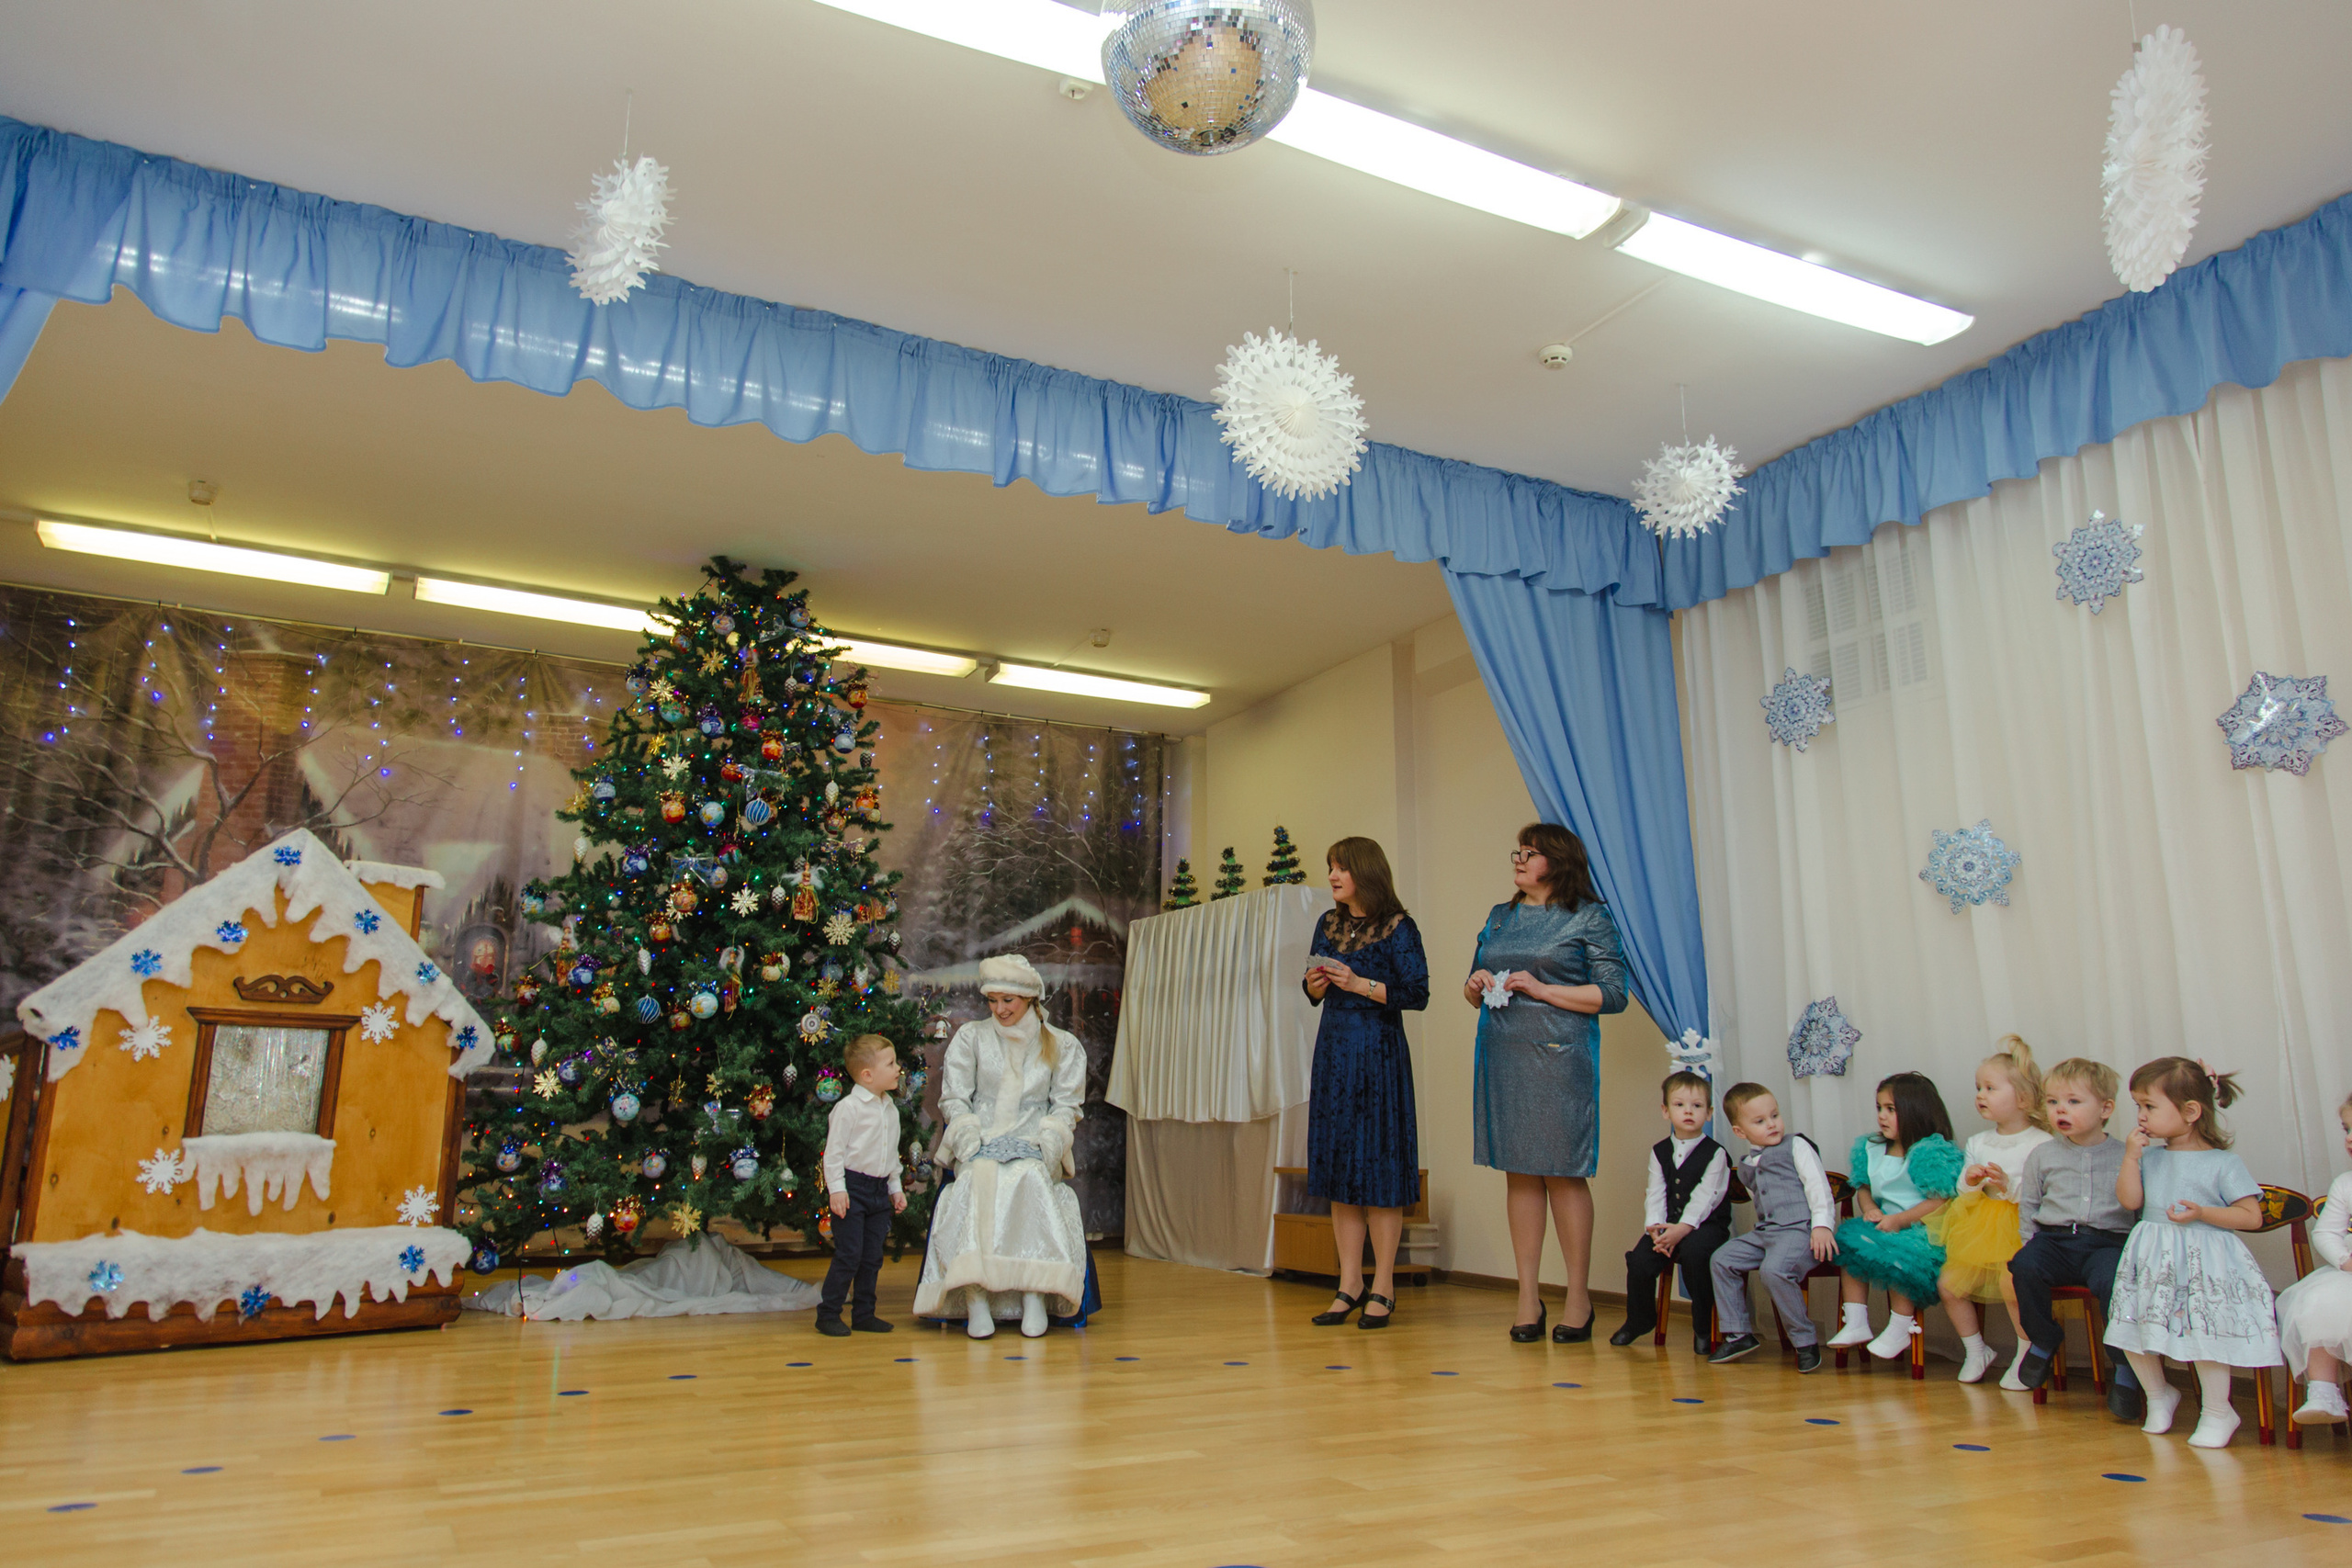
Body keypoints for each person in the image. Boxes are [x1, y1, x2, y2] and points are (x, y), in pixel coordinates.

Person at [1464, 822, 1629, 1344]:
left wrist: (1542, 989)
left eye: (1529, 852)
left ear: (1557, 862)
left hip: (1560, 1058)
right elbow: (1473, 985)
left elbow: (1613, 994)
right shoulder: (1500, 915)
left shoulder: (1589, 916)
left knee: (1563, 1174)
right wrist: (1475, 986)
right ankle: (1528, 1297)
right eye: (1518, 851)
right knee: (1519, 1174)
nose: (1518, 859)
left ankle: (1578, 1299)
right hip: (1503, 1053)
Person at [2104, 1056, 2282, 1449]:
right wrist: (2131, 1158)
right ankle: (2158, 1394)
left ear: (2190, 1112)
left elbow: (2251, 1216)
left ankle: (2218, 1411)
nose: (2141, 1115)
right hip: (2152, 1258)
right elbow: (2129, 1201)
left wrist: (2202, 1213)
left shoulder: (2223, 1163)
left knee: (2205, 1335)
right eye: (2138, 1106)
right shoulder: (2149, 1157)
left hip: (2205, 1263)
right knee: (2134, 1328)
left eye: (2150, 1106)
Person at [911, 953, 1089, 1339]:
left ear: (1029, 999)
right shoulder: (971, 1038)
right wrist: (968, 1138)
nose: (999, 1009)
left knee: (1030, 1179)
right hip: (982, 1140)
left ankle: (1033, 1294)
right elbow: (955, 1098)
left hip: (1032, 1141)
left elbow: (1066, 1106)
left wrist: (1048, 1143)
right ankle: (976, 1297)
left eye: (1008, 1000)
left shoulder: (1062, 1044)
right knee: (975, 1180)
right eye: (992, 1000)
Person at [1303, 837, 1430, 1331]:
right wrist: (1314, 986)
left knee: (1380, 1170)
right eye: (1330, 867)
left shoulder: (1400, 926)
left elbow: (1416, 993)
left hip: (1379, 1054)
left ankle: (1384, 1286)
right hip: (1334, 1051)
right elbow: (1313, 988)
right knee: (1340, 1169)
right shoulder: (1327, 923)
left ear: (1366, 872)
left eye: (1341, 868)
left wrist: (1359, 984)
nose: (1333, 876)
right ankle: (1349, 1283)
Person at [2006, 1056, 2145, 1418]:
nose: (2060, 1110)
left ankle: (2124, 1363)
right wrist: (2030, 1243)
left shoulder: (2127, 1155)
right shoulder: (2043, 1154)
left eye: (2073, 1101)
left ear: (2105, 1109)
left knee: (2113, 1282)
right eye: (2053, 1102)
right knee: (2025, 1266)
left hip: (2107, 1243)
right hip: (2055, 1241)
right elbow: (2030, 1204)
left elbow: (2139, 1210)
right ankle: (2043, 1338)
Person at [1931, 1036, 2052, 1383]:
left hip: (2024, 1228)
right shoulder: (1978, 1142)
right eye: (1978, 1088)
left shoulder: (2042, 1142)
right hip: (1981, 1227)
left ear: (2023, 1097)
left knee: (2012, 1283)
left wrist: (2008, 1187)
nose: (1980, 1095)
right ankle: (1975, 1349)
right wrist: (1971, 1181)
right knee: (1949, 1284)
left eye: (1990, 1088)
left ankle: (2026, 1354)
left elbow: (2047, 1195)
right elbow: (1962, 1192)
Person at [1826, 1072, 1963, 1360]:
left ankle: (1900, 1326)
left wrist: (1900, 1221)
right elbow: (1863, 1187)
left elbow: (1939, 1201)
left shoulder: (1930, 1151)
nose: (1882, 1116)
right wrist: (1870, 1209)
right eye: (1879, 1108)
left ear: (1915, 1111)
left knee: (1903, 1258)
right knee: (1849, 1244)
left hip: (1921, 1229)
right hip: (1885, 1222)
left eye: (1890, 1109)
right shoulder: (1872, 1148)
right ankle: (1856, 1320)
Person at [1705, 1083, 1838, 1371]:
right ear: (1740, 1131)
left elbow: (1818, 1187)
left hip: (1800, 1230)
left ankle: (1805, 1341)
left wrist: (1822, 1226)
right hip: (1767, 1232)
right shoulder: (1747, 1164)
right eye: (1760, 1121)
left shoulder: (1796, 1146)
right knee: (1722, 1259)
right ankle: (1738, 1334)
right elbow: (1761, 1198)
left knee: (1773, 1270)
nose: (1772, 1124)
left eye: (1775, 1115)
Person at [1610, 1071, 1733, 1353]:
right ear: (1666, 1111)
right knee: (1640, 1261)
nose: (1688, 1111)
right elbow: (1655, 1191)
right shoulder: (1659, 1151)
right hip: (1668, 1225)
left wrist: (1682, 1229)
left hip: (1706, 1226)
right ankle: (1639, 1320)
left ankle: (1703, 1327)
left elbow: (1706, 1197)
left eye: (1697, 1106)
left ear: (1709, 1113)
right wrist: (1655, 1228)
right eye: (1679, 1105)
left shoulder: (1716, 1154)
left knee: (1695, 1255)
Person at [814, 1033, 907, 1337]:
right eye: (890, 1064)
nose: (898, 1068)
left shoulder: (890, 1109)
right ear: (867, 1075)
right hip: (852, 1189)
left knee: (872, 1257)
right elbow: (834, 1153)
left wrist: (895, 1188)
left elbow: (890, 1153)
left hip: (879, 1191)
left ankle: (864, 1314)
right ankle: (828, 1314)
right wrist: (837, 1190)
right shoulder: (849, 1108)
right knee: (850, 1254)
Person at [2279, 1092, 2352, 1427]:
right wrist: (2344, 1260)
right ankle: (2324, 1392)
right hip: (2349, 1273)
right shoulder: (2345, 1184)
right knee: (2320, 1301)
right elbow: (2325, 1233)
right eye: (2346, 1129)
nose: (2349, 1138)